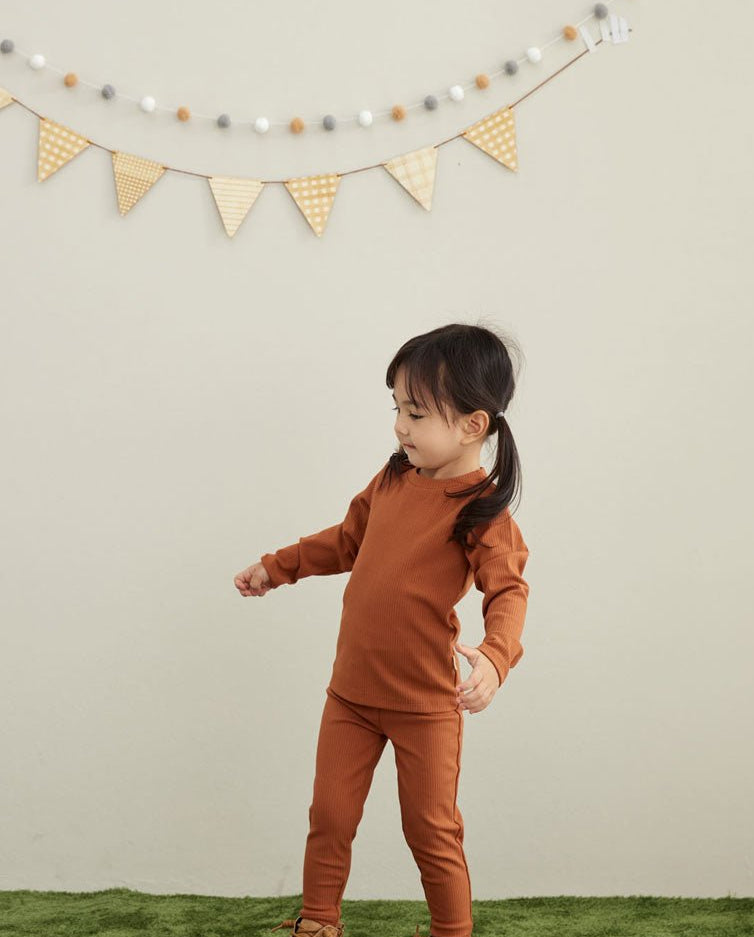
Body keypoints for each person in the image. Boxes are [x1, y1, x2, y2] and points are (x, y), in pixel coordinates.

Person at [234, 322, 531, 937]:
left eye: (415, 413)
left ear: (472, 425)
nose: (399, 426)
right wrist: (277, 566)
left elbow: (508, 590)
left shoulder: (482, 511)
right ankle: (318, 921)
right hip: (350, 695)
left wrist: (495, 658)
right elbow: (347, 540)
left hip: (425, 705)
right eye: (396, 408)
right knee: (330, 816)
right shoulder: (393, 478)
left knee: (430, 830)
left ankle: (452, 931)